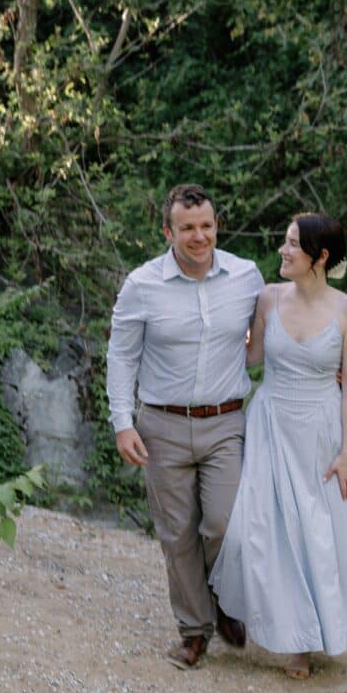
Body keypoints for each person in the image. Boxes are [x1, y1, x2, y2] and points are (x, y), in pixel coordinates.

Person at [209, 213, 347, 679]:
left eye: (293, 244)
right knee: (269, 531)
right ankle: (288, 636)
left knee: (318, 532)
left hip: (322, 432)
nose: (283, 251)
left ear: (321, 256)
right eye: (285, 242)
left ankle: (311, 638)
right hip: (271, 425)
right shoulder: (268, 298)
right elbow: (248, 356)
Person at [106, 183, 264, 668]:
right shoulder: (142, 284)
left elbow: (286, 322)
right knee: (178, 534)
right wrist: (122, 422)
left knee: (224, 525)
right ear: (168, 231)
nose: (199, 237)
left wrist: (332, 360)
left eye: (207, 226)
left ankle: (225, 600)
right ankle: (194, 631)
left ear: (216, 226)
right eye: (188, 228)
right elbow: (121, 354)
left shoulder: (246, 276)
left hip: (226, 422)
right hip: (162, 425)